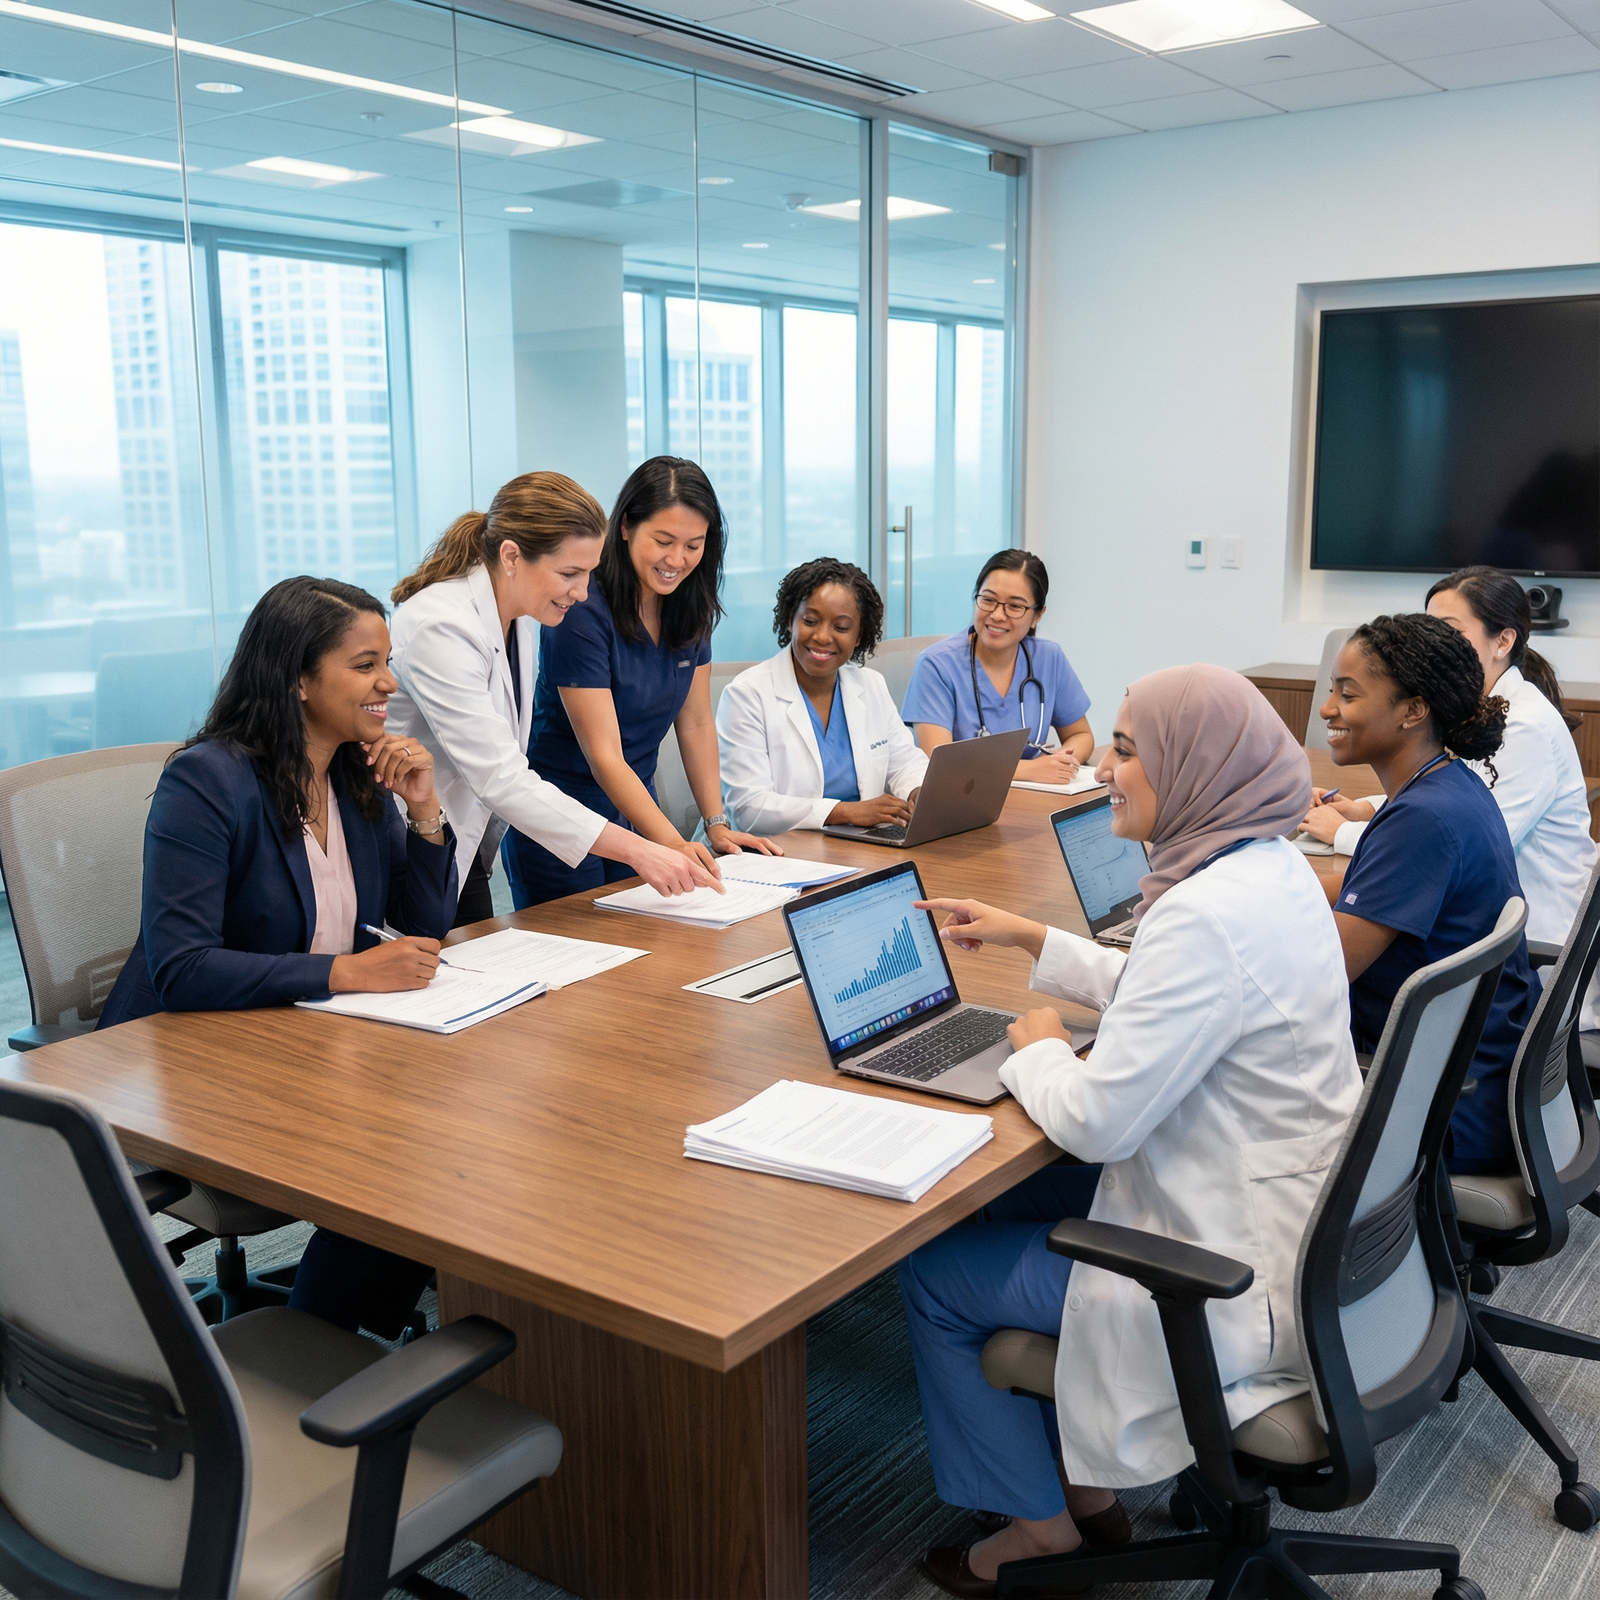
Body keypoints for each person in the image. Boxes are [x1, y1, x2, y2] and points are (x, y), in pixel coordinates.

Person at [898, 665, 1360, 1596]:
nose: (1105, 769)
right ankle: (1088, 1492)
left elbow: (1100, 1121)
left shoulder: (1202, 913)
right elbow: (1180, 1000)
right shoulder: (1267, 868)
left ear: (1192, 766)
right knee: (1012, 1197)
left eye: (1124, 749)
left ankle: (1039, 1534)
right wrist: (1036, 939)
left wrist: (1035, 1050)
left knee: (934, 1276)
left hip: (1214, 1273)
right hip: (1289, 1230)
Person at [98, 577, 458, 1339]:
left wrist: (424, 811)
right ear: (298, 678)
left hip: (307, 1042)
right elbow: (182, 966)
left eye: (386, 662)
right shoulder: (207, 780)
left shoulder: (357, 776)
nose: (388, 683)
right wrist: (343, 972)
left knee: (446, 1131)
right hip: (196, 1056)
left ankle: (348, 1338)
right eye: (365, 665)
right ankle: (311, 1351)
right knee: (398, 1161)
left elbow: (420, 931)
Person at [386, 470, 720, 927]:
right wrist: (645, 848)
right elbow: (500, 777)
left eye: (587, 574)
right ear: (511, 556)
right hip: (408, 845)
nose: (582, 593)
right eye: (569, 574)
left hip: (460, 845)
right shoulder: (442, 626)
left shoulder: (519, 613)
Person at [502, 457, 778, 908]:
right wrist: (670, 842)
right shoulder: (581, 608)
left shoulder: (691, 607)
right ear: (626, 526)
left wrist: (716, 824)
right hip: (563, 816)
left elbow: (696, 724)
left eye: (694, 545)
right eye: (663, 541)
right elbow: (604, 756)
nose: (677, 560)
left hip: (637, 811)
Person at [1317, 613, 1537, 1174]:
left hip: (1442, 1111)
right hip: (1469, 1080)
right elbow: (1354, 887)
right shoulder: (1447, 784)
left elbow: (1320, 975)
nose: (1326, 710)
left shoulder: (1422, 820)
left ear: (1414, 710)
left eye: (1348, 694)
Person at [1302, 567, 1596, 959]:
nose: (1328, 709)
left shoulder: (1526, 727)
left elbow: (1435, 843)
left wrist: (1345, 832)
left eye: (1450, 631)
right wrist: (1366, 809)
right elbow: (1431, 800)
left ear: (1503, 640)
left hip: (1534, 947)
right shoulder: (1465, 737)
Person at [715, 558, 928, 835]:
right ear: (791, 620)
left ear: (859, 636)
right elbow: (748, 809)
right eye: (810, 621)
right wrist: (843, 812)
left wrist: (917, 790)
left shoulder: (871, 685)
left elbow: (905, 762)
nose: (822, 636)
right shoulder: (747, 694)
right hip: (777, 852)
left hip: (862, 846)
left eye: (841, 627)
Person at [902, 549, 1092, 785]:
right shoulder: (937, 665)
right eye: (988, 600)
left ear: (1037, 615)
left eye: (1015, 606)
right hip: (966, 800)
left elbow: (1081, 735)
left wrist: (1062, 760)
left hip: (1034, 799)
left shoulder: (1048, 658)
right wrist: (1030, 770)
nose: (997, 615)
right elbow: (939, 762)